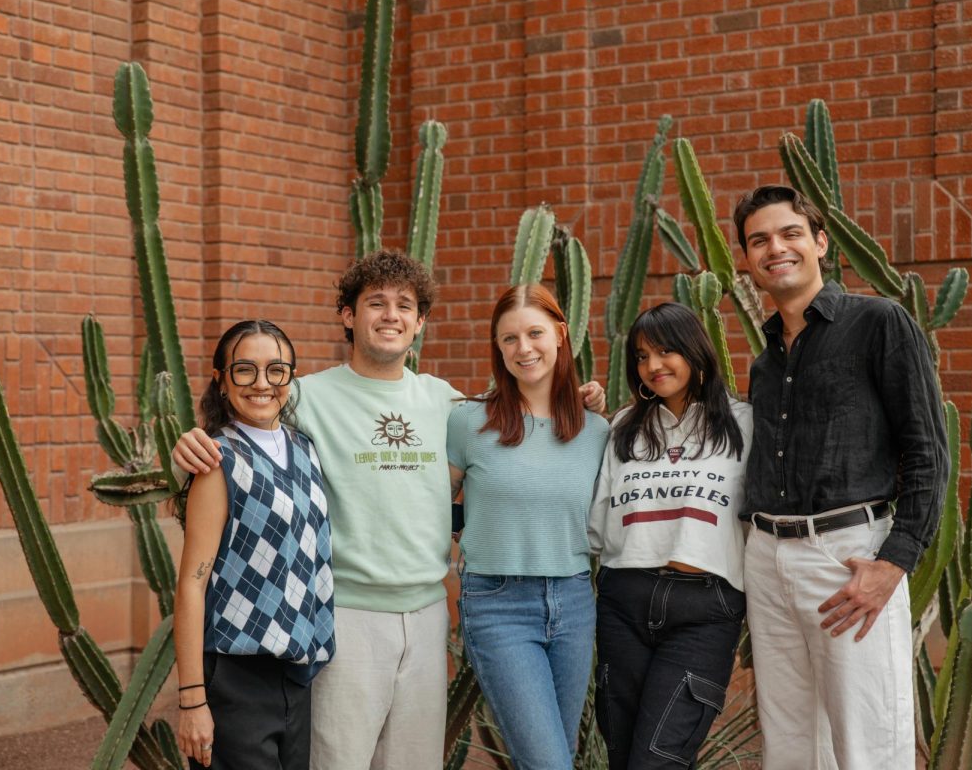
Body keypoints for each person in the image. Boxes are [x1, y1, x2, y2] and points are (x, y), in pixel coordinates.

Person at [172, 251, 605, 770]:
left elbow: (519, 431)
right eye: (375, 303)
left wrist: (581, 402)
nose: (390, 315)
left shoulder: (447, 403)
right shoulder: (303, 396)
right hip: (345, 618)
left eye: (405, 306)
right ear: (348, 316)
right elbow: (243, 429)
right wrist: (187, 451)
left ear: (420, 322)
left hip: (426, 618)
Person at [731, 185, 949, 770]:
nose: (775, 248)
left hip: (847, 558)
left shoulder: (879, 323)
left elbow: (927, 451)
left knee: (867, 743)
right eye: (759, 241)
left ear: (821, 242)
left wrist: (893, 563)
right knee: (791, 742)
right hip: (768, 557)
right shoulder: (765, 361)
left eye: (790, 233)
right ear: (747, 262)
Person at [447, 285, 610, 769]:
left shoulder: (596, 430)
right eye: (509, 339)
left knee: (558, 755)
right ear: (498, 349)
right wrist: (469, 527)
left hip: (575, 602)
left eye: (535, 333)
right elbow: (432, 506)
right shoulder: (468, 421)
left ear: (561, 334)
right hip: (499, 605)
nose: (524, 348)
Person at [588, 302, 751, 770]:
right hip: (624, 601)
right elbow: (598, 522)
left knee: (658, 758)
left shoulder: (745, 423)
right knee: (623, 754)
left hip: (704, 609)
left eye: (665, 351)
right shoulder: (624, 427)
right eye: (641, 356)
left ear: (695, 351)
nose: (653, 365)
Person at [174, 320, 334, 770]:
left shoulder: (305, 449)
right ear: (221, 381)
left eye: (276, 370)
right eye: (244, 370)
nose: (262, 383)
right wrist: (192, 701)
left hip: (296, 674)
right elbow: (191, 584)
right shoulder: (217, 460)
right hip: (234, 676)